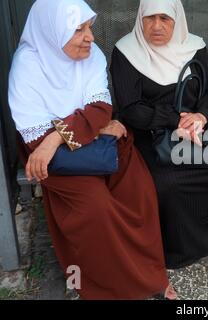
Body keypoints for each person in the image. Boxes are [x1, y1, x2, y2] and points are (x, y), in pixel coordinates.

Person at [8, 0, 176, 300]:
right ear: (51, 32)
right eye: (78, 29)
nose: (90, 37)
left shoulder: (91, 56)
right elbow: (38, 143)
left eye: (89, 27)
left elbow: (101, 109)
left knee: (140, 189)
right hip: (55, 160)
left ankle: (150, 274)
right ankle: (109, 287)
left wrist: (58, 135)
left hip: (84, 141)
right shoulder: (27, 66)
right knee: (95, 207)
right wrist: (63, 136)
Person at [110, 0, 208, 269]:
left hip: (195, 126)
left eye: (165, 19)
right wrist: (174, 120)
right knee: (167, 181)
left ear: (176, 20)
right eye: (150, 18)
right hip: (151, 132)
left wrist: (201, 115)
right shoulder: (126, 52)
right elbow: (131, 108)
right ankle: (176, 245)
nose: (157, 26)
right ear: (140, 19)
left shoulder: (193, 46)